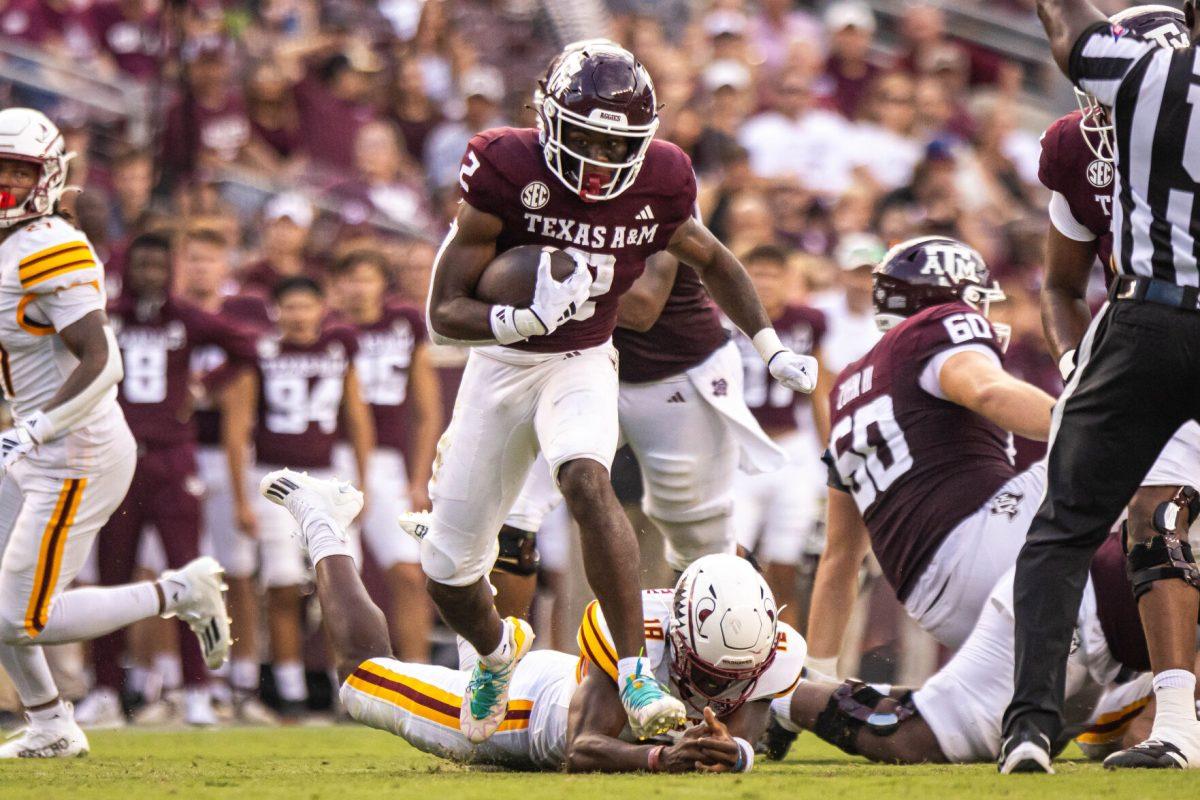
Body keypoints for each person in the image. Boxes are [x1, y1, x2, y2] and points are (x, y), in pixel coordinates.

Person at [423, 41, 817, 742]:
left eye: (618, 144)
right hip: (502, 363)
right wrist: (517, 316)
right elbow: (444, 310)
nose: (602, 160)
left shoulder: (661, 179)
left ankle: (634, 671)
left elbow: (714, 260)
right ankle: (493, 653)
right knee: (448, 573)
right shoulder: (504, 165)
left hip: (584, 356)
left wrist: (770, 344)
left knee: (584, 476)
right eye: (586, 139)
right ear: (549, 122)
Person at [260, 466, 803, 773]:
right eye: (707, 672)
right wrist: (662, 757)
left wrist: (735, 753)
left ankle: (461, 564)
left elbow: (743, 733)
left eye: (729, 678)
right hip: (517, 718)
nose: (716, 688)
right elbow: (581, 750)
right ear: (681, 631)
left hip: (550, 678)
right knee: (360, 680)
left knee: (479, 650)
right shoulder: (641, 637)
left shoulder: (763, 649)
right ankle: (321, 519)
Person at [1002, 0, 1200, 772]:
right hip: (1137, 325)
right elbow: (1058, 283)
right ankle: (1175, 723)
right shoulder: (1077, 148)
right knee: (1152, 516)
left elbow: (1069, 32)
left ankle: (1029, 726)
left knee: (1064, 528)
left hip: (1149, 322)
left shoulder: (1144, 73)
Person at [0, 109, 228, 757]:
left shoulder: (49, 245)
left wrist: (35, 427)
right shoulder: (7, 245)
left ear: (46, 178)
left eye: (20, 171)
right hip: (38, 443)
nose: (7, 184)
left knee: (21, 616)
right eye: (0, 170)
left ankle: (179, 591)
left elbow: (106, 363)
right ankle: (49, 725)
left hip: (76, 447)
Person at [805, 236, 1056, 676]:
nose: (984, 312)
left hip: (936, 607)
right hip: (986, 544)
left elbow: (840, 560)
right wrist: (1094, 426)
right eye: (977, 300)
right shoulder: (940, 326)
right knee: (1147, 450)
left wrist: (814, 681)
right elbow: (987, 390)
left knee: (1099, 694)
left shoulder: (845, 388)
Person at [774, 532, 1159, 765]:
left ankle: (800, 683)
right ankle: (780, 694)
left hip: (1115, 646)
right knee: (920, 735)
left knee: (1092, 741)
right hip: (1080, 605)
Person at [83, 232, 255, 727]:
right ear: (129, 267)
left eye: (160, 265)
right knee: (112, 576)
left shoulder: (184, 316)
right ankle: (105, 689)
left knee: (189, 576)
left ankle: (197, 688)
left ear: (171, 269)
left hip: (173, 460)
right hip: (118, 459)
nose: (151, 274)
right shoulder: (106, 313)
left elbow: (247, 347)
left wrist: (205, 386)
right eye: (143, 265)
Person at [223, 276, 374, 718]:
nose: (297, 315)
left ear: (322, 308)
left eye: (305, 306)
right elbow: (237, 429)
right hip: (275, 478)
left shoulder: (337, 354)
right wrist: (240, 498)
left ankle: (342, 686)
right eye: (289, 307)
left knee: (341, 585)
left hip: (328, 476)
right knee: (283, 583)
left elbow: (357, 418)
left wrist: (362, 481)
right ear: (276, 312)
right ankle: (290, 690)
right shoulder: (261, 355)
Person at [177, 228, 276, 722]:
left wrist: (201, 391)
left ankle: (243, 678)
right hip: (177, 450)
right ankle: (166, 677)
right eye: (193, 259)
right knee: (166, 568)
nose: (200, 268)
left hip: (227, 450)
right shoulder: (170, 317)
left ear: (225, 267)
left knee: (236, 571)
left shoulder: (238, 320)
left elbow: (244, 380)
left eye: (209, 259)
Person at [329, 250, 441, 662]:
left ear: (382, 283)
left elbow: (427, 411)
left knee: (409, 573)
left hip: (386, 462)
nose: (359, 288)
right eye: (350, 278)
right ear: (336, 285)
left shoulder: (403, 325)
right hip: (331, 459)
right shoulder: (325, 328)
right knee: (338, 577)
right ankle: (344, 683)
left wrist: (418, 478)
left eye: (367, 278)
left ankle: (420, 676)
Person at [732, 244, 831, 628]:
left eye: (774, 273)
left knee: (786, 563)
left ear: (788, 278)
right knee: (732, 557)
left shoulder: (807, 321)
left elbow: (819, 388)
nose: (766, 282)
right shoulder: (724, 319)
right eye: (758, 272)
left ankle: (783, 652)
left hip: (792, 450)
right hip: (741, 452)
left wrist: (829, 451)